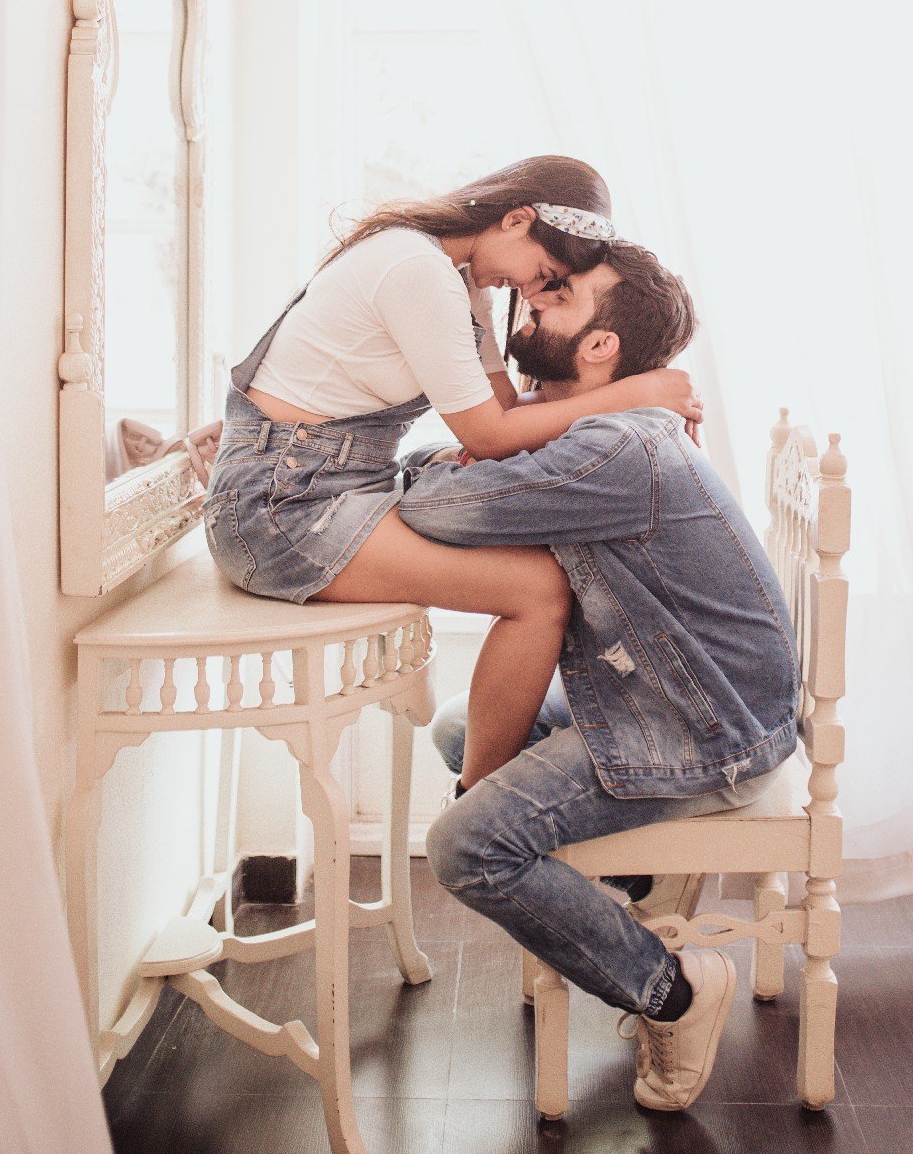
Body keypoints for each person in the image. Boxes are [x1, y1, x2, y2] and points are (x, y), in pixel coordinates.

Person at [397, 244, 800, 1114]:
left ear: (599, 350)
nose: (530, 305)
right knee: (460, 731)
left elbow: (433, 509)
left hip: (704, 729)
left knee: (465, 847)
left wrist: (446, 463)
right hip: (679, 693)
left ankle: (675, 992)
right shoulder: (601, 428)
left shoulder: (614, 448)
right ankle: (619, 896)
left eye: (555, 296)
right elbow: (483, 466)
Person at [203, 156, 704, 791]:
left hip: (324, 489)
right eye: (544, 273)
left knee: (542, 569)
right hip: (281, 512)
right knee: (538, 593)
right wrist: (637, 394)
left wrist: (637, 387)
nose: (534, 291)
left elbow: (503, 411)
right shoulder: (416, 269)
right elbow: (491, 436)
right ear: (516, 220)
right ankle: (483, 800)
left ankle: (525, 784)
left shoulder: (458, 281)